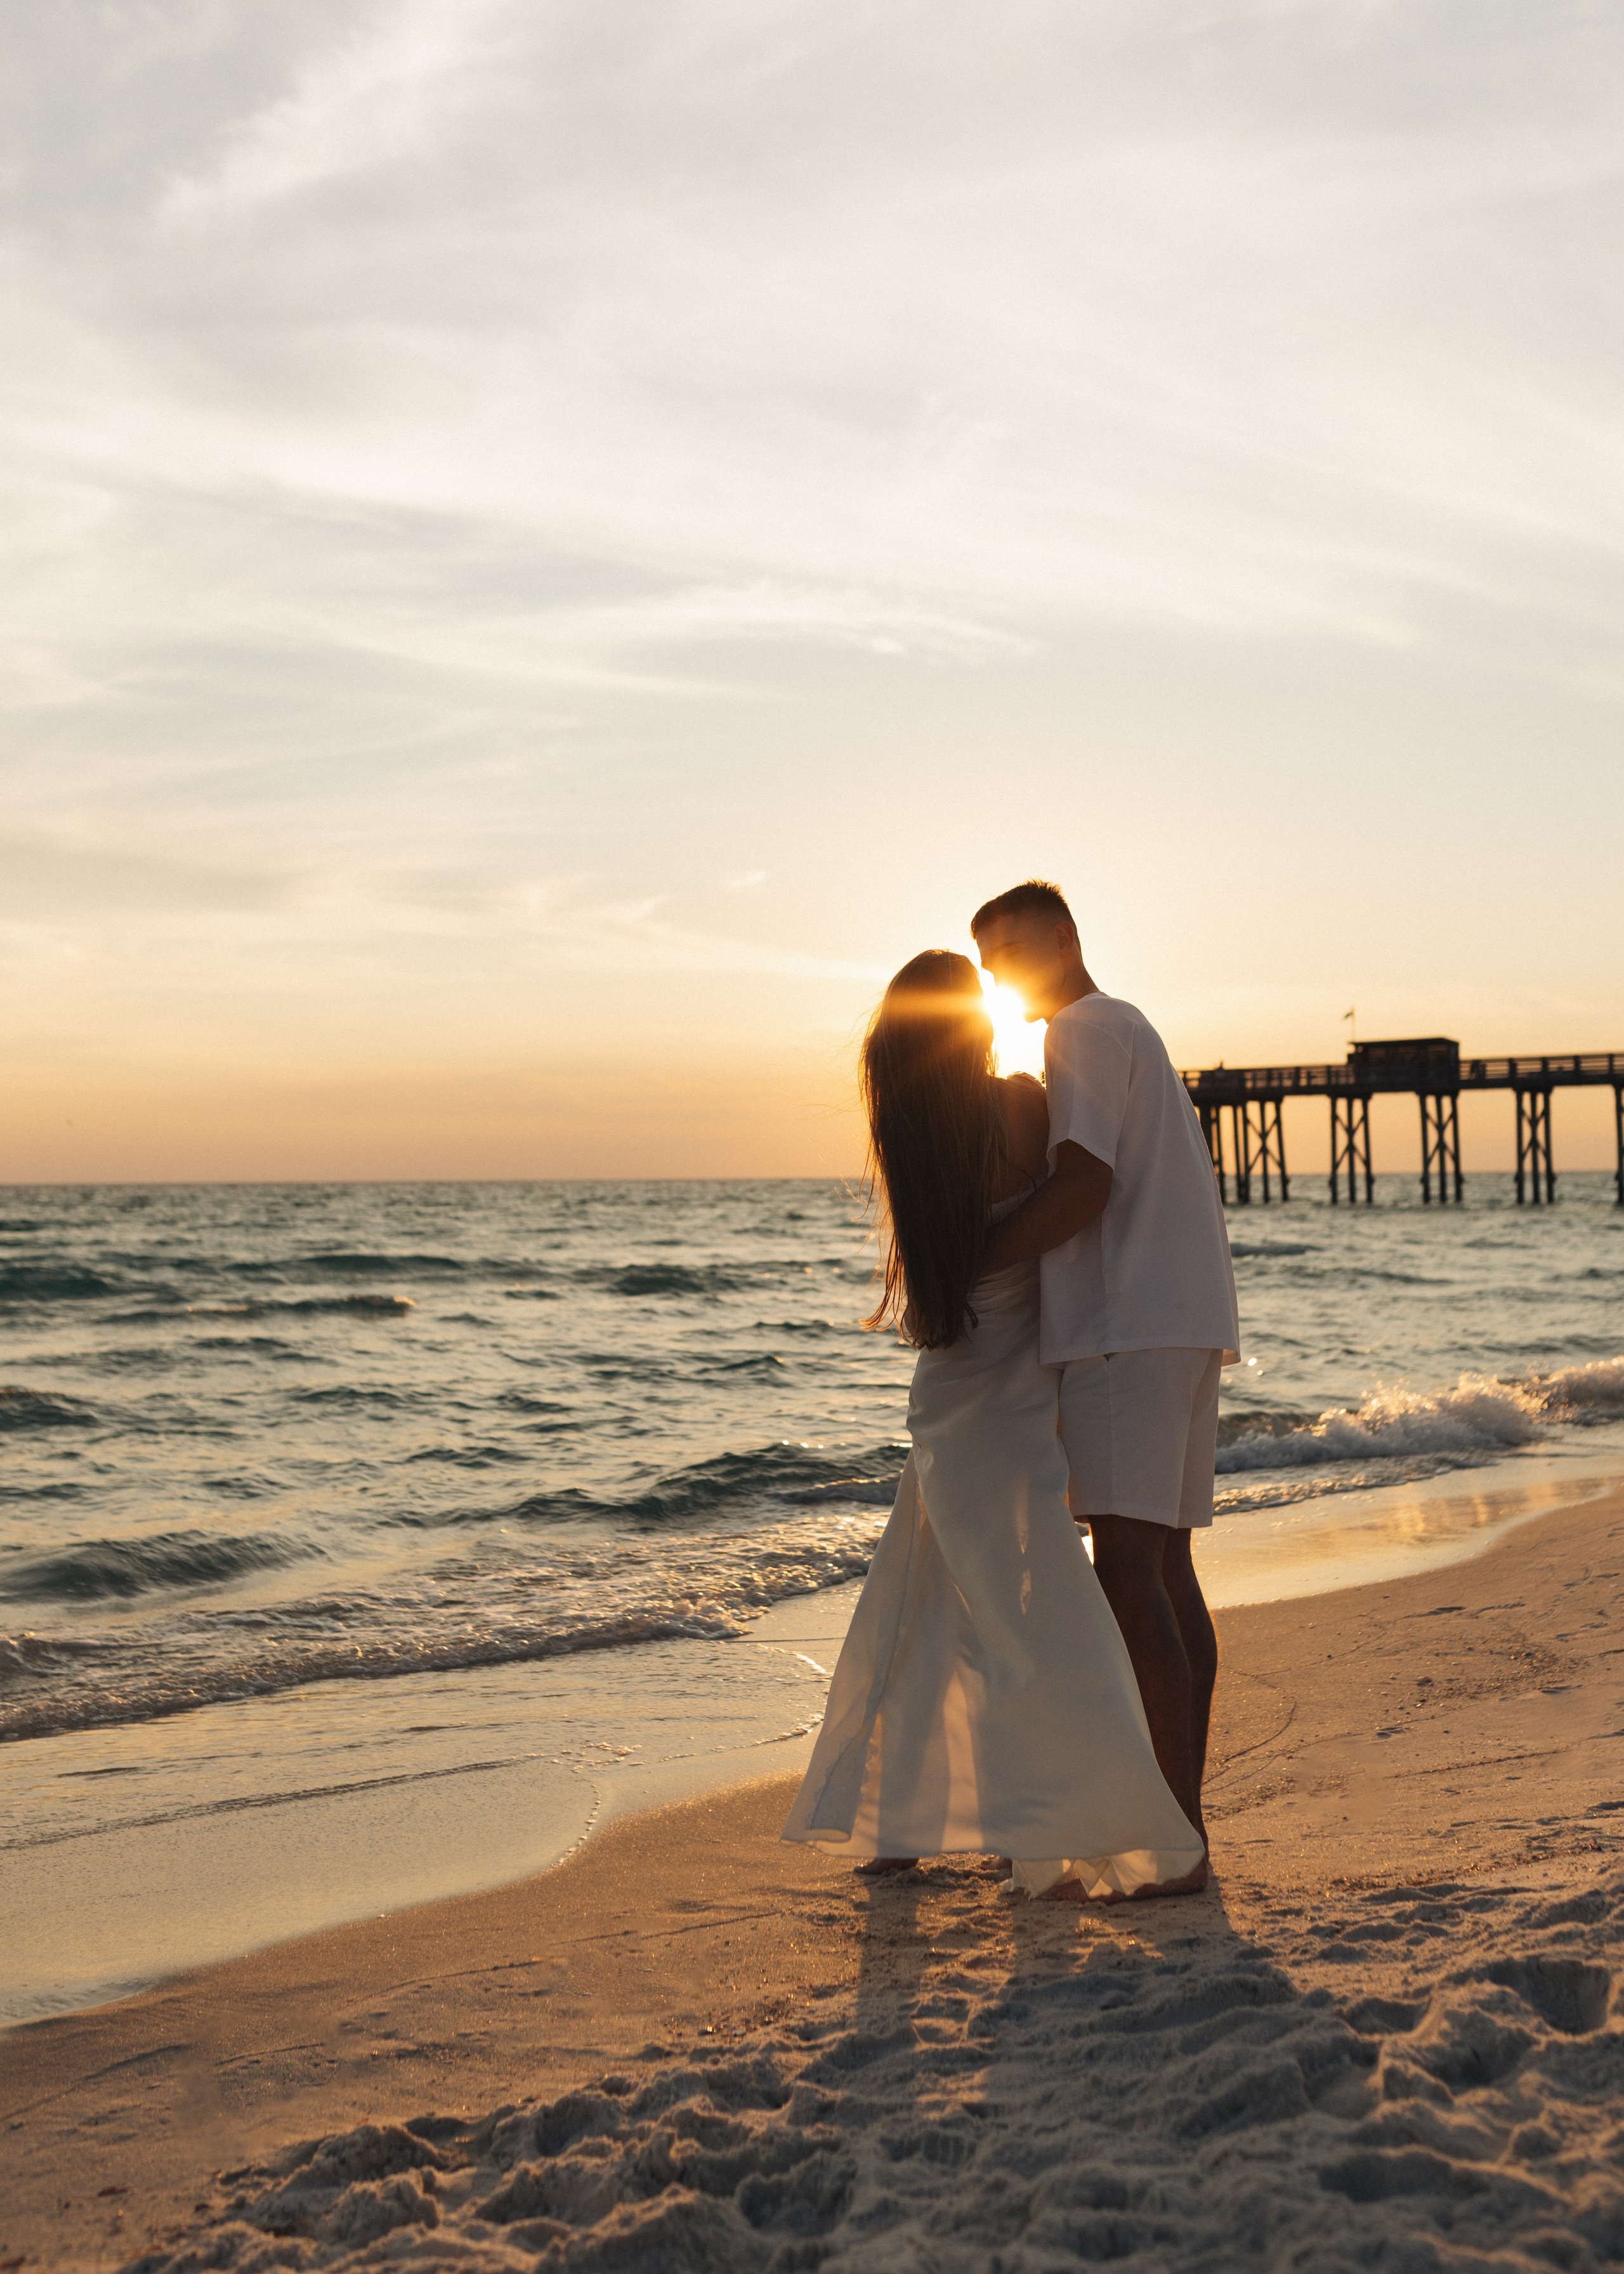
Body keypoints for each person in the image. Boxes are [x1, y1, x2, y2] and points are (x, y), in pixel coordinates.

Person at [781, 950, 1205, 1900]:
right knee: (1022, 1612)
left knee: (932, 1599)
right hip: (1022, 1390)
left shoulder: (912, 1139)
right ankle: (1043, 1831)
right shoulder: (1021, 1103)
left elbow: (939, 1288)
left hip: (949, 1395)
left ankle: (908, 1828)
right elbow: (1100, 1179)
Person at [972, 880, 1240, 1864]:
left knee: (1129, 1570)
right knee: (1167, 1567)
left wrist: (980, 1252)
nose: (999, 976)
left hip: (1128, 1324)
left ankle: (1172, 1833)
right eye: (990, 965)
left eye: (1006, 953)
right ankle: (1183, 1821)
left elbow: (1087, 1182)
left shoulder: (1079, 1030)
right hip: (1187, 1318)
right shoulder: (1132, 1024)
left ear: (1063, 936)